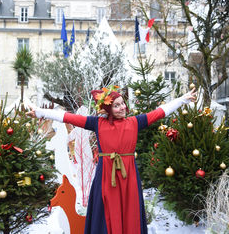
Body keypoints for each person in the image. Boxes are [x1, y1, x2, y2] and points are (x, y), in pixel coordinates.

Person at [27, 85, 196, 234]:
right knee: (105, 211)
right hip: (106, 176)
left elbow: (159, 112)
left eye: (123, 103)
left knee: (130, 211)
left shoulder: (135, 122)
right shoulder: (97, 124)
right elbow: (68, 117)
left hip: (128, 175)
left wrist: (182, 99)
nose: (122, 107)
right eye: (116, 106)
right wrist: (40, 112)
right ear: (108, 109)